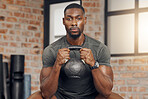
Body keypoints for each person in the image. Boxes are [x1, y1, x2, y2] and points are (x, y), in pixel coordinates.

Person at [28, 3, 123, 99]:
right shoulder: (51, 50)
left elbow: (106, 91)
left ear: (84, 20)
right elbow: (46, 93)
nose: (74, 23)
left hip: (91, 97)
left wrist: (93, 64)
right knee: (36, 97)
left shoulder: (100, 49)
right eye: (69, 19)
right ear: (63, 21)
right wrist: (57, 65)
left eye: (78, 18)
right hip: (61, 97)